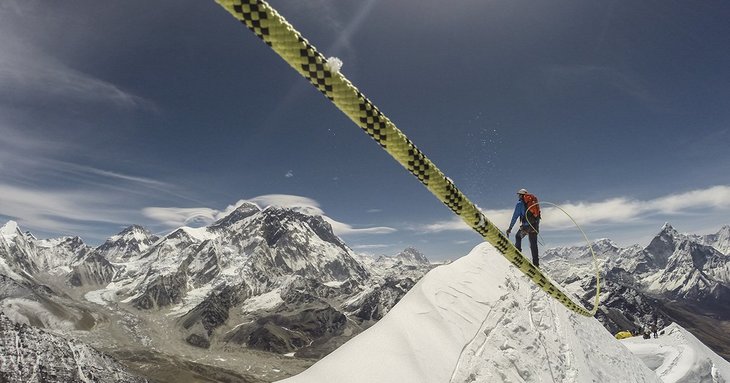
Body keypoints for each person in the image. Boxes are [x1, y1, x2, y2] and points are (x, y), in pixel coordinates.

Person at [506, 188, 540, 267]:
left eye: (519, 195)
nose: (518, 197)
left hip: (525, 227)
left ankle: (518, 254)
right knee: (533, 245)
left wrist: (510, 228)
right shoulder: (534, 203)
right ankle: (536, 264)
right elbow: (537, 215)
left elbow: (515, 217)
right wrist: (536, 228)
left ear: (521, 195)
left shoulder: (519, 204)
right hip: (534, 226)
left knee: (518, 236)